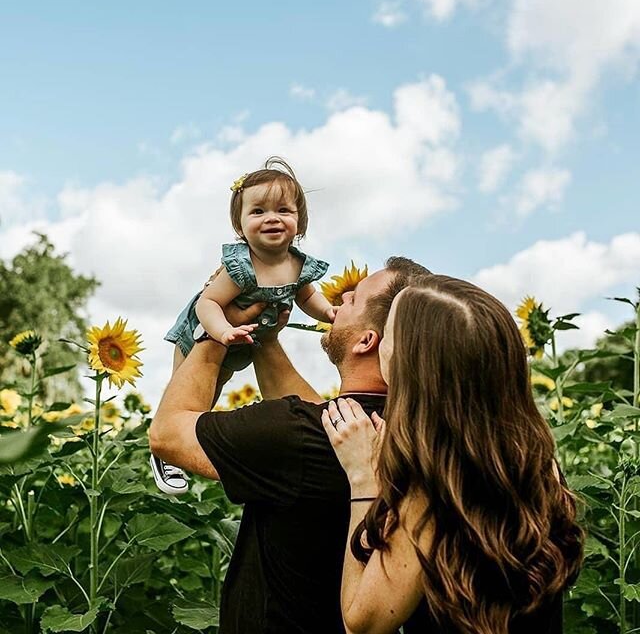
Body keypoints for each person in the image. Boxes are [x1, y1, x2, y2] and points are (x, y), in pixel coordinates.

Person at [149, 257, 432, 634]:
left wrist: (212, 331)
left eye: (356, 298)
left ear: (368, 341)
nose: (344, 294)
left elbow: (168, 434)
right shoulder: (403, 431)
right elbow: (318, 416)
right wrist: (264, 337)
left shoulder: (297, 436)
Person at [322, 275, 584, 634]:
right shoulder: (536, 461)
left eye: (391, 332)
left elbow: (363, 624)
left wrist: (364, 479)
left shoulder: (429, 486)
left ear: (411, 365)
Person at [151, 157, 336, 495]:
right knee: (189, 392)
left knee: (215, 388)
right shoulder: (240, 266)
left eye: (284, 209)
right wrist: (220, 333)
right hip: (202, 333)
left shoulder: (298, 266)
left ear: (300, 221)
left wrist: (330, 314)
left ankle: (187, 438)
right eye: (258, 211)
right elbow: (208, 302)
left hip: (247, 338)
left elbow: (310, 299)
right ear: (239, 226)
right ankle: (165, 455)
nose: (272, 218)